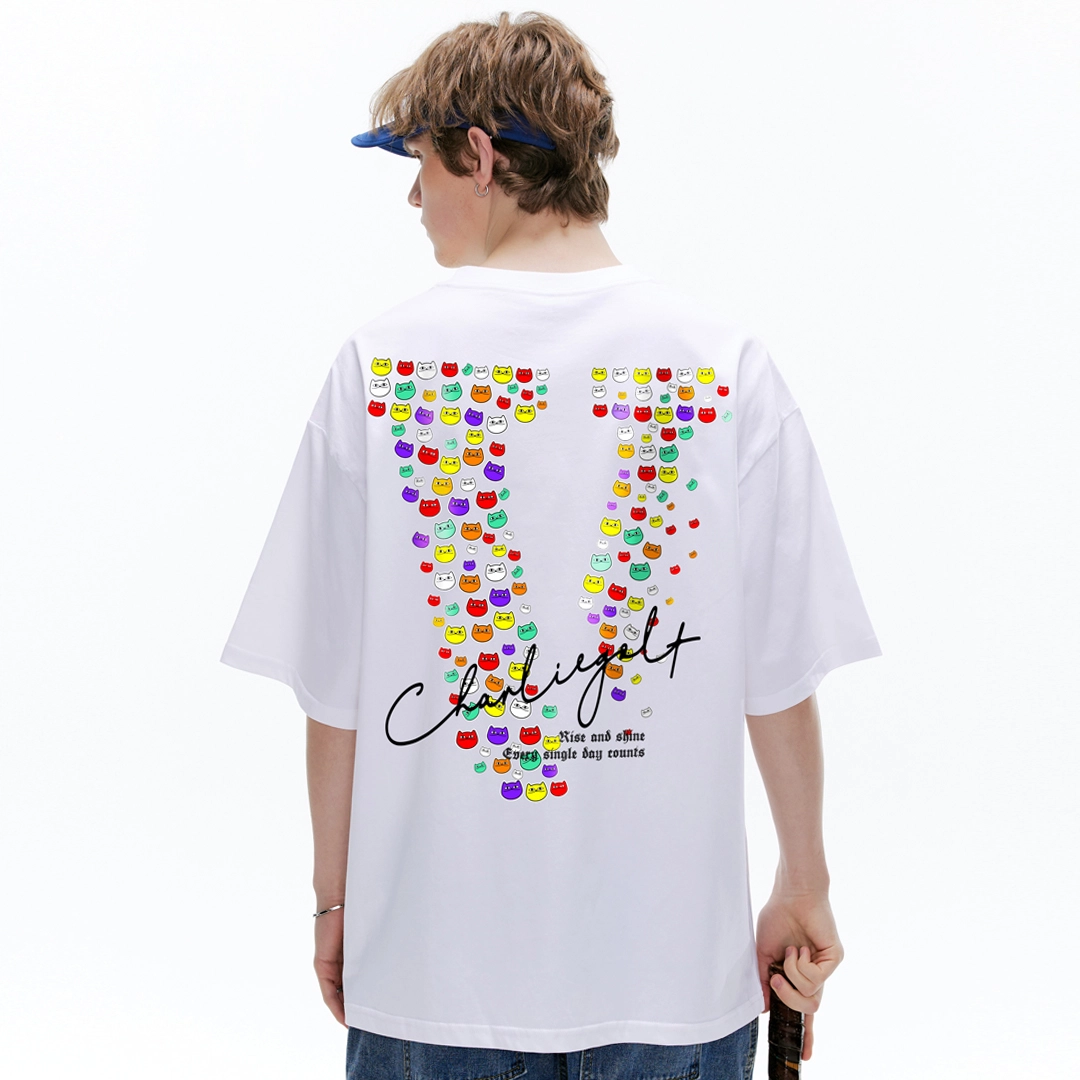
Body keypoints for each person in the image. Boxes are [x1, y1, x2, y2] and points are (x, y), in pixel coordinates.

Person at [220, 11, 882, 1079]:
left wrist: (334, 903)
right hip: (672, 984)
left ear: (480, 155)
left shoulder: (378, 367)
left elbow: (335, 694)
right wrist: (804, 881)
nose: (413, 197)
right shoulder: (726, 367)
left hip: (432, 982)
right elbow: (779, 677)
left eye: (418, 161)